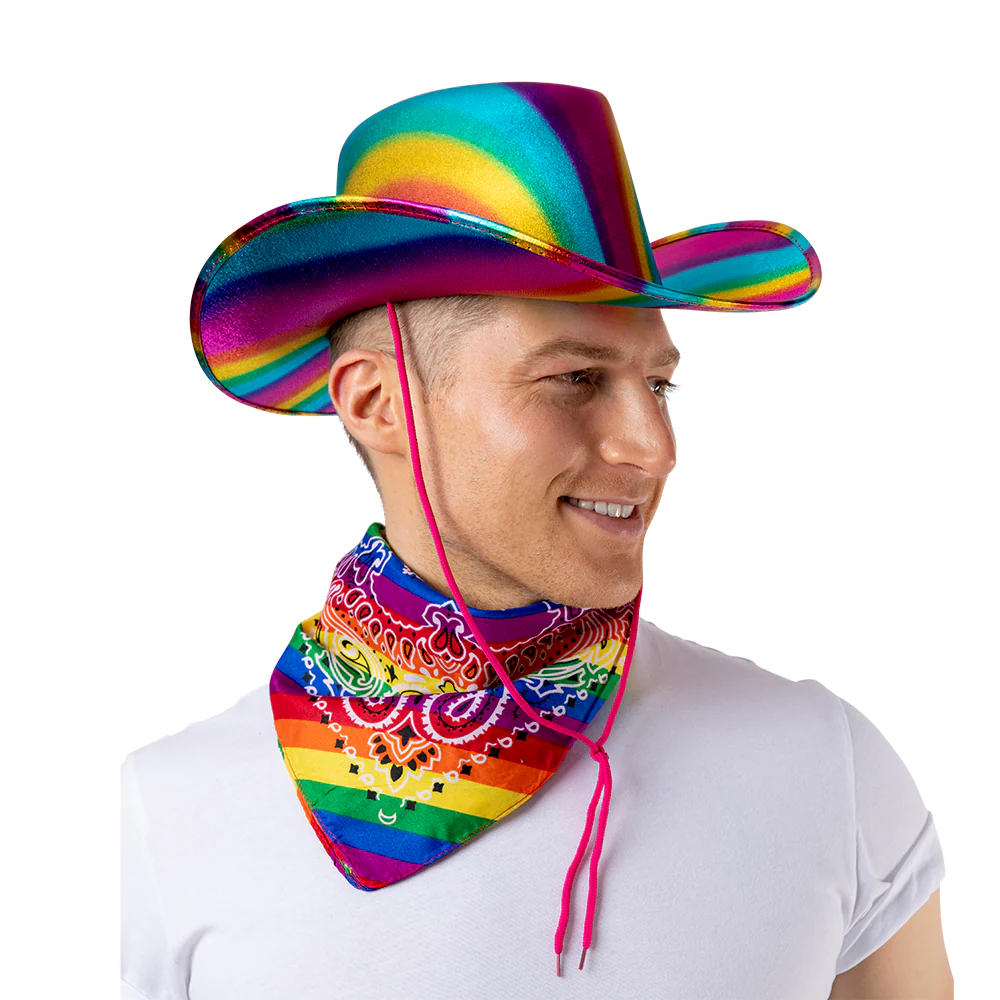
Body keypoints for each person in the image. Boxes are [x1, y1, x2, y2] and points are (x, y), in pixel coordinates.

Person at [121, 82, 952, 999]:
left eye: (660, 385)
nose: (654, 448)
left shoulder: (822, 763)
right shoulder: (170, 813)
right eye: (575, 379)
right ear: (380, 403)